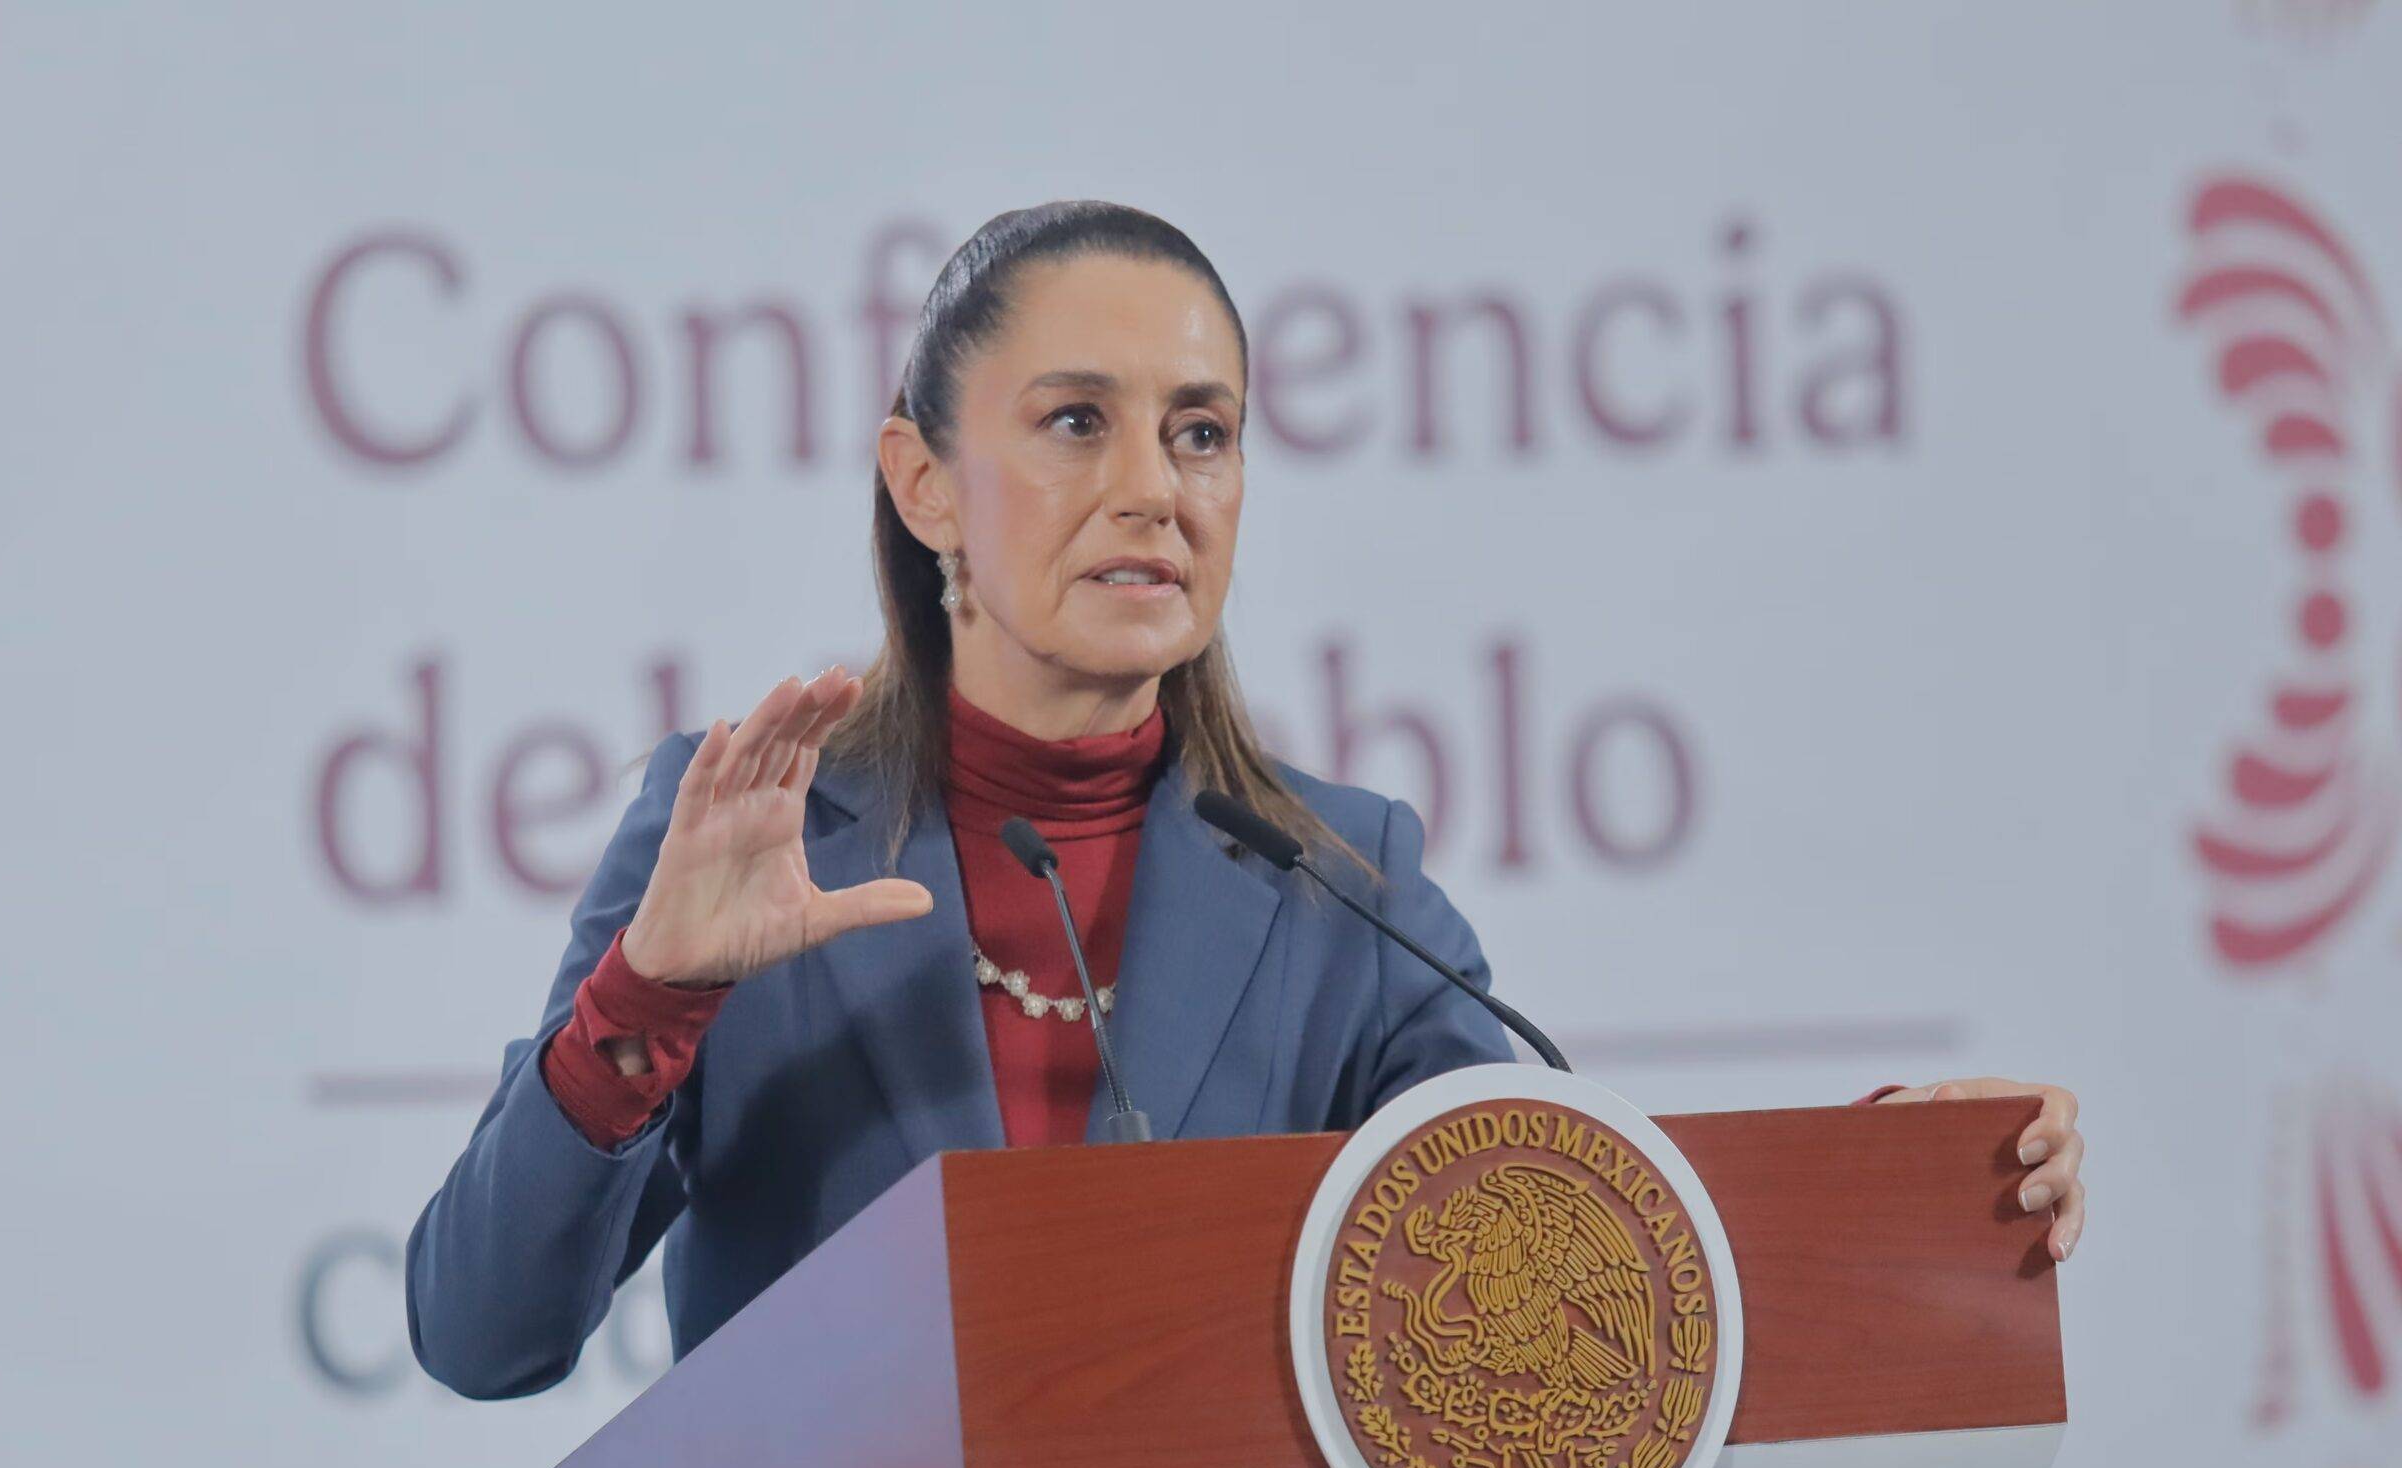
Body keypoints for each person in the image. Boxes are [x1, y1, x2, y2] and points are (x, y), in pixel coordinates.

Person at [404, 201, 2088, 1401]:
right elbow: (485, 1335)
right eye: (1077, 422)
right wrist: (652, 998)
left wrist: (1895, 1190)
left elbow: (1552, 1264)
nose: (1155, 488)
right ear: (924, 483)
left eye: (1201, 433)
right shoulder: (751, 837)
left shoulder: (1337, 882)